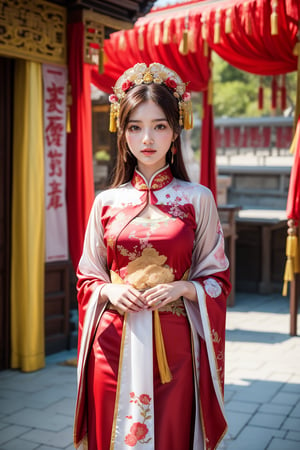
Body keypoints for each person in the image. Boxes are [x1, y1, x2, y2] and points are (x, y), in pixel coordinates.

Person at [73, 62, 231, 450]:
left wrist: (184, 287)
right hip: (111, 340)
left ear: (176, 131)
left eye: (159, 126)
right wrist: (109, 292)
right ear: (122, 132)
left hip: (175, 344)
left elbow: (218, 279)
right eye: (135, 127)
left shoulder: (198, 199)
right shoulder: (106, 202)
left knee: (171, 434)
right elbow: (88, 275)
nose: (147, 138)